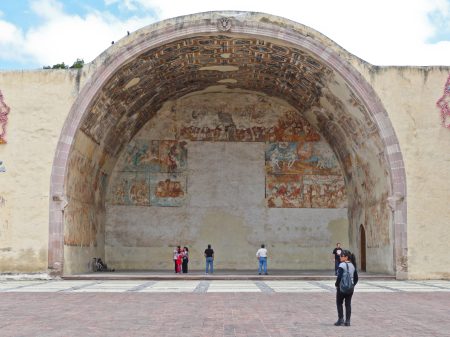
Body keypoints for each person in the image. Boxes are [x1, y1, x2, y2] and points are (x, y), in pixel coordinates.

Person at [334, 250, 358, 327]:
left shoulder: (342, 265)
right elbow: (356, 278)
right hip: (350, 288)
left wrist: (337, 284)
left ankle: (341, 319)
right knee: (348, 304)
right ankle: (347, 321)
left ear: (346, 257)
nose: (340, 257)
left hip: (342, 288)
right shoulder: (352, 265)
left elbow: (339, 277)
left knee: (339, 303)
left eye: (342, 256)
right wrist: (352, 285)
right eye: (340, 255)